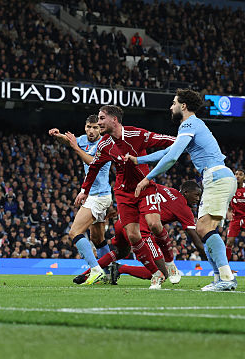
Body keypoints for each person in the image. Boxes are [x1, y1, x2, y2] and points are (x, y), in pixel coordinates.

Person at [133, 89, 239, 291]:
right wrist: (139, 160)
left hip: (216, 176)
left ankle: (226, 278)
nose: (171, 107)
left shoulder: (189, 123)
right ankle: (220, 278)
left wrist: (147, 178)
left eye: (173, 103)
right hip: (219, 176)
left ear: (183, 106)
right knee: (204, 229)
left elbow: (172, 158)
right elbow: (168, 151)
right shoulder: (193, 126)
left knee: (203, 229)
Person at [76, 105, 177, 288]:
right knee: (133, 236)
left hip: (145, 186)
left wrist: (182, 141)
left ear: (114, 120)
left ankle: (169, 262)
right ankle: (156, 274)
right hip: (123, 193)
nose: (98, 123)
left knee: (154, 224)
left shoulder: (136, 135)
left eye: (101, 119)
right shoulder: (105, 144)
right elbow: (94, 168)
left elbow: (162, 139)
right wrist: (84, 190)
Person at [48, 115, 114, 284]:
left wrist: (76, 148)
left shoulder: (105, 143)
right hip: (96, 195)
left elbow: (93, 163)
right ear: (85, 127)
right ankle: (109, 272)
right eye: (89, 127)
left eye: (95, 128)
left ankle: (95, 270)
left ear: (100, 129)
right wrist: (58, 135)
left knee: (74, 232)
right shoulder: (83, 139)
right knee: (98, 239)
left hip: (99, 196)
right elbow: (70, 141)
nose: (91, 131)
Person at [111, 181, 207, 283]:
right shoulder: (184, 209)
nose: (198, 199)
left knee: (119, 252)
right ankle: (119, 269)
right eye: (196, 195)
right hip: (142, 231)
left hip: (127, 222)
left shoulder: (168, 190)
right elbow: (195, 239)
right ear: (186, 192)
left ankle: (103, 268)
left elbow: (146, 185)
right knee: (162, 273)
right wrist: (211, 260)